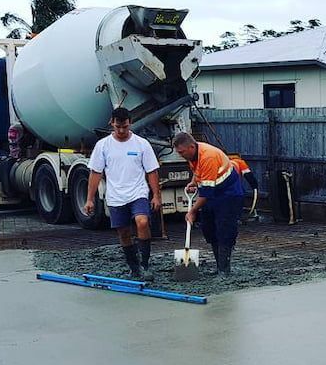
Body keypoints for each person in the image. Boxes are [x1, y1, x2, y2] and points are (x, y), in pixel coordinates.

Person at [85, 107, 161, 278]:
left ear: (130, 123)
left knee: (142, 222)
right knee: (124, 232)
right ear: (112, 123)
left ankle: (145, 264)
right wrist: (90, 199)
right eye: (118, 127)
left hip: (138, 192)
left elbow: (152, 171)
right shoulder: (103, 145)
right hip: (116, 195)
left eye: (125, 127)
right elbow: (96, 172)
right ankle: (133, 266)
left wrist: (156, 195)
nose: (121, 131)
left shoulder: (142, 144)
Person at [172, 132, 244, 275]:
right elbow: (199, 172)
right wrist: (194, 182)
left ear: (191, 147)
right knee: (209, 229)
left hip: (228, 194)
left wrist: (192, 211)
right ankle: (219, 267)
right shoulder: (193, 154)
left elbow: (206, 193)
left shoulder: (208, 156)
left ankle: (224, 270)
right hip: (214, 194)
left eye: (182, 152)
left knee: (224, 230)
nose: (180, 155)